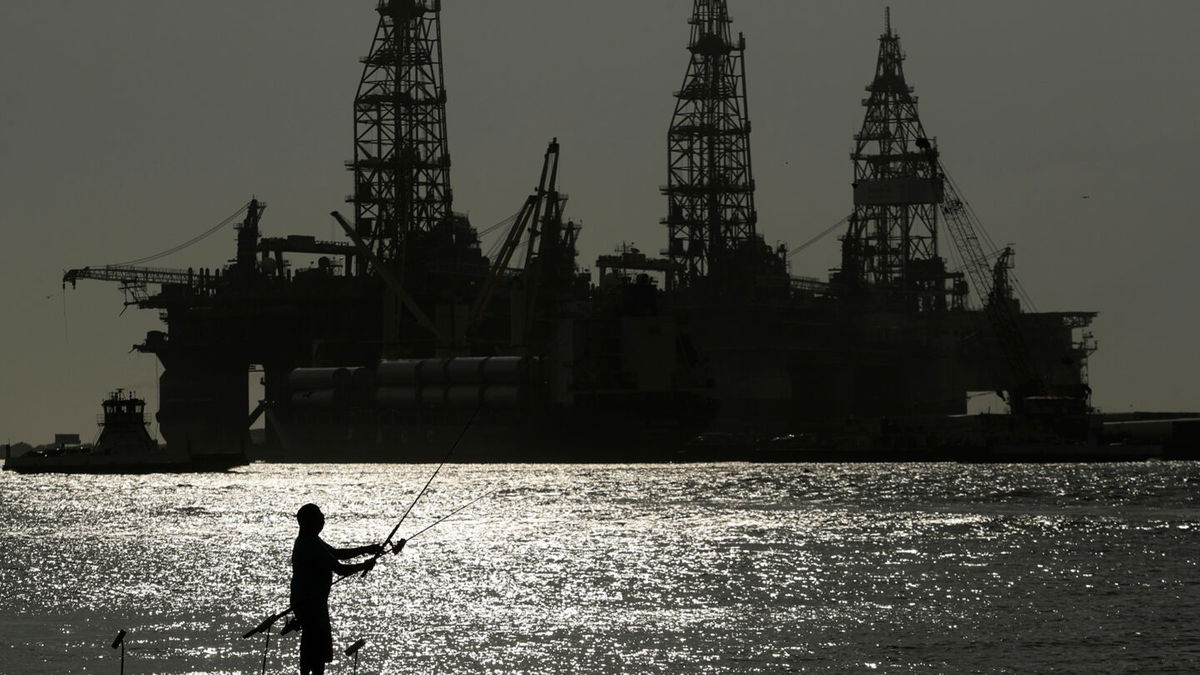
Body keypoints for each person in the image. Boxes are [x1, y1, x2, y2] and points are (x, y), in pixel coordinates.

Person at [290, 503, 382, 675]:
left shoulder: (310, 539)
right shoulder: (310, 544)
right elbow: (340, 568)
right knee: (315, 649)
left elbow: (337, 553)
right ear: (310, 522)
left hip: (310, 603)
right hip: (310, 604)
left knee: (312, 646)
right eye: (319, 516)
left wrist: (366, 550)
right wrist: (364, 565)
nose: (323, 519)